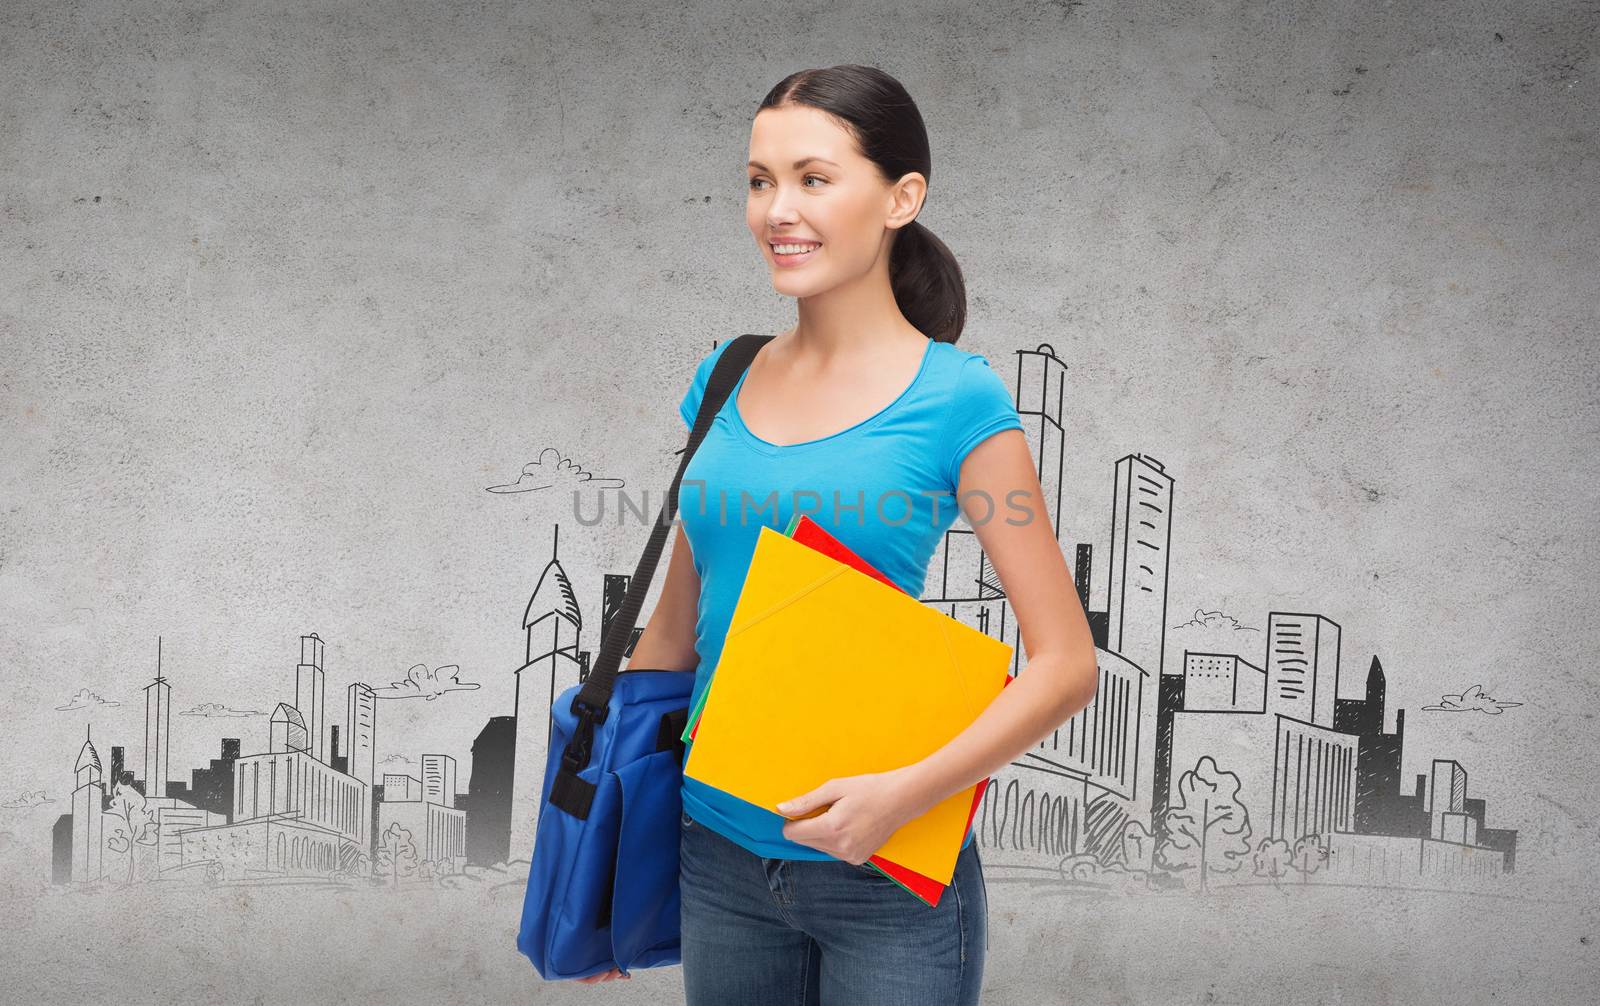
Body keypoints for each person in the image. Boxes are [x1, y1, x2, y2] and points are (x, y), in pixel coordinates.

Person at [579, 64, 1097, 1003]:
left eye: (814, 179)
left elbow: (1066, 664)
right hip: (717, 856)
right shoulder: (726, 377)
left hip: (886, 868)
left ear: (902, 197)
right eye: (759, 179)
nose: (778, 209)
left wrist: (899, 800)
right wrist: (611, 864)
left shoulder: (957, 397)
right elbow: (674, 632)